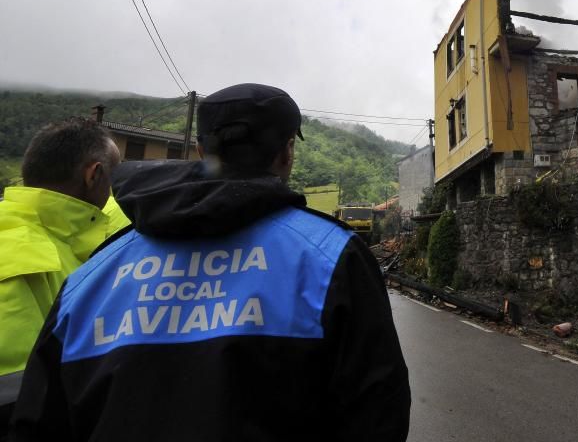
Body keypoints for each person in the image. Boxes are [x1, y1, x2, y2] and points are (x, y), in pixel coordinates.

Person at [11, 84, 410, 441]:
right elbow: (378, 412)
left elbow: (39, 422)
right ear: (287, 152)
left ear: (201, 151)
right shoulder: (332, 256)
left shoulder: (93, 275)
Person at [0, 119, 128, 430]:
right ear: (94, 174)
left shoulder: (50, 238)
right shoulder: (28, 260)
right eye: (112, 177)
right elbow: (14, 396)